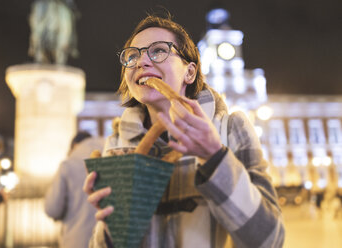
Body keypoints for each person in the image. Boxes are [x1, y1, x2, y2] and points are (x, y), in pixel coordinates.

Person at [84, 14, 285, 248]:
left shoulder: (230, 128)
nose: (141, 62)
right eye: (132, 55)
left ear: (189, 72)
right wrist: (112, 226)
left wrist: (215, 157)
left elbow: (270, 239)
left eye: (158, 50)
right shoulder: (118, 144)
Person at [44, 131, 105, 248]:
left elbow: (52, 209)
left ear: (75, 145)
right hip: (106, 238)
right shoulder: (109, 157)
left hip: (76, 239)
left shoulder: (68, 164)